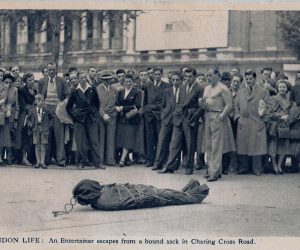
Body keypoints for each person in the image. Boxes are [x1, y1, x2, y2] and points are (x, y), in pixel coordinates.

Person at [159, 67, 203, 175]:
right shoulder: (182, 87)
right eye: (186, 76)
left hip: (190, 119)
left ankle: (189, 167)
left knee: (190, 144)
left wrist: (194, 115)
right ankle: (170, 166)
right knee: (174, 144)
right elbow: (178, 102)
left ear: (195, 77)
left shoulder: (199, 89)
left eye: (190, 76)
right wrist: (177, 113)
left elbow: (200, 107)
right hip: (179, 118)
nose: (187, 78)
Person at [72, 179, 209, 211]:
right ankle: (201, 190)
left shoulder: (100, 199)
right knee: (177, 197)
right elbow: (127, 200)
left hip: (148, 193)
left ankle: (192, 187)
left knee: (173, 194)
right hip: (151, 197)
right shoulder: (103, 201)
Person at [200, 68, 235, 181]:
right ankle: (212, 169)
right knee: (208, 145)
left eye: (210, 75)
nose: (208, 77)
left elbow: (229, 105)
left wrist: (221, 116)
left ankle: (214, 172)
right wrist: (202, 103)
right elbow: (205, 104)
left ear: (217, 75)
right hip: (208, 115)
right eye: (207, 75)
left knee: (216, 146)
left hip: (218, 116)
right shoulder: (206, 88)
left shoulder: (223, 88)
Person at [234, 69, 270, 176]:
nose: (249, 81)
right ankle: (244, 167)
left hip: (257, 123)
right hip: (243, 123)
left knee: (257, 148)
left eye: (251, 79)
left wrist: (263, 121)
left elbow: (268, 108)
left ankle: (257, 169)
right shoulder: (241, 92)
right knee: (243, 147)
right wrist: (238, 118)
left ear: (255, 79)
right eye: (247, 79)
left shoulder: (263, 91)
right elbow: (235, 107)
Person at [66, 71, 104, 169]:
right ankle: (81, 162)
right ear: (78, 79)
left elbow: (97, 103)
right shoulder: (74, 90)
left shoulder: (92, 89)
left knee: (94, 140)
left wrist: (94, 113)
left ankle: (97, 162)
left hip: (91, 118)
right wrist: (75, 115)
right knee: (80, 141)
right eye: (81, 78)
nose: (83, 79)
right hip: (79, 119)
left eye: (84, 77)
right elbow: (68, 107)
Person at [38, 62, 69, 167]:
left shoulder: (62, 81)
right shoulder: (42, 81)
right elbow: (39, 96)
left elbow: (67, 95)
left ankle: (61, 160)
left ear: (56, 70)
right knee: (46, 135)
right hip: (46, 111)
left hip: (57, 112)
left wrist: (61, 106)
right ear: (47, 70)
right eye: (49, 69)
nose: (51, 71)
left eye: (53, 69)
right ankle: (46, 160)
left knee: (59, 136)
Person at [152, 71, 182, 170]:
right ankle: (158, 163)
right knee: (161, 141)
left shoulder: (183, 90)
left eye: (177, 80)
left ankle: (172, 165)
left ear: (180, 80)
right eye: (173, 80)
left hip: (178, 120)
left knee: (174, 143)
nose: (175, 82)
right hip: (167, 119)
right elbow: (163, 105)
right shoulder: (167, 91)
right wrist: (163, 115)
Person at [144, 67, 169, 167]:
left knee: (160, 138)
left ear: (161, 75)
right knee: (150, 138)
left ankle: (161, 160)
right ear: (153, 75)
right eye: (156, 74)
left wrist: (154, 107)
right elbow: (145, 101)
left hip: (159, 115)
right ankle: (150, 160)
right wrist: (147, 109)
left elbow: (165, 102)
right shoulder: (147, 86)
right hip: (149, 115)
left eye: (159, 74)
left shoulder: (166, 86)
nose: (157, 76)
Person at [115, 74, 142, 167]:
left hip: (131, 118)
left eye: (129, 81)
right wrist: (117, 108)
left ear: (133, 82)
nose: (128, 83)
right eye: (126, 82)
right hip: (121, 118)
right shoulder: (120, 92)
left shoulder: (137, 92)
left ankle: (122, 159)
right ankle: (126, 159)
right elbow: (117, 103)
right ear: (124, 82)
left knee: (128, 139)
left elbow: (137, 105)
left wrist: (122, 107)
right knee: (122, 139)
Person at [267, 80, 293, 175]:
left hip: (285, 125)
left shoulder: (288, 99)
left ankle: (279, 166)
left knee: (283, 146)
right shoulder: (274, 98)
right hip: (276, 124)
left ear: (287, 89)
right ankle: (274, 166)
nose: (282, 89)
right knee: (273, 145)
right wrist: (281, 116)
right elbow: (270, 113)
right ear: (277, 88)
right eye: (280, 87)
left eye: (284, 87)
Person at [96, 70, 118, 166]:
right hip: (101, 116)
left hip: (112, 116)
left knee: (111, 138)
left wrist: (114, 111)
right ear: (101, 80)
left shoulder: (114, 90)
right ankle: (100, 160)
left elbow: (116, 103)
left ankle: (110, 159)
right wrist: (103, 114)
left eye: (108, 79)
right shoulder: (97, 89)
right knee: (101, 138)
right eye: (104, 79)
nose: (107, 81)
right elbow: (96, 105)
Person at [26, 94, 52, 169]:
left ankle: (42, 162)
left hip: (44, 130)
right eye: (38, 100)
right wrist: (30, 123)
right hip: (35, 129)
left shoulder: (46, 110)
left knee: (43, 145)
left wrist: (48, 126)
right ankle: (38, 162)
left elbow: (52, 118)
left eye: (42, 101)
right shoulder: (32, 110)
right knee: (37, 145)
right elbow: (28, 119)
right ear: (35, 101)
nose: (40, 102)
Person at [16, 73, 37, 165]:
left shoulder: (35, 91)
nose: (32, 81)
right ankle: (23, 158)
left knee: (31, 137)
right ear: (25, 81)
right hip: (25, 115)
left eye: (33, 79)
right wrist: (31, 108)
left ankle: (31, 157)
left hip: (33, 115)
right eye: (30, 80)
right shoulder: (22, 90)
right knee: (24, 136)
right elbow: (22, 104)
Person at [0, 72, 19, 165]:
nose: (8, 84)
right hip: (0, 115)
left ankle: (9, 158)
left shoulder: (15, 90)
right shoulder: (0, 88)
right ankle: (0, 157)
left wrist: (15, 117)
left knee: (8, 137)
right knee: (1, 137)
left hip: (10, 115)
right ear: (3, 82)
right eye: (6, 82)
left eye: (10, 82)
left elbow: (16, 105)